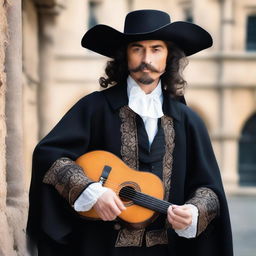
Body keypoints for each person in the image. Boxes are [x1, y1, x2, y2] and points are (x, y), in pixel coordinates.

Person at [27, 9, 233, 256]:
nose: (146, 57)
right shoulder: (94, 108)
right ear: (125, 55)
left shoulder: (188, 120)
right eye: (137, 48)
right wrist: (90, 191)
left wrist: (194, 212)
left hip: (168, 250)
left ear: (169, 57)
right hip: (101, 248)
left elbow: (208, 188)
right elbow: (48, 155)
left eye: (156, 49)